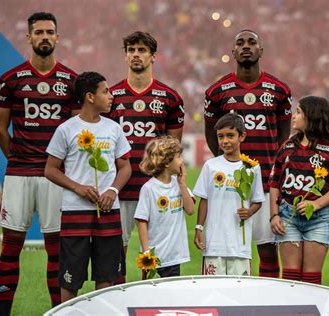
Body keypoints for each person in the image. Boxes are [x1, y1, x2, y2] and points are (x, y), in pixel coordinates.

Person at [0, 12, 79, 314]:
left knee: (57, 250)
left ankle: (58, 311)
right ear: (28, 37)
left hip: (55, 177)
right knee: (10, 247)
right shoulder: (11, 80)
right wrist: (15, 157)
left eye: (50, 32)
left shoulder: (72, 81)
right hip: (19, 174)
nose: (45, 37)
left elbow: (78, 131)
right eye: (39, 32)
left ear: (57, 37)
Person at [204, 30, 292, 278]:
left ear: (260, 51)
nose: (246, 46)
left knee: (267, 250)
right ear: (233, 52)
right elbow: (212, 134)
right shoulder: (217, 91)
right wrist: (230, 167)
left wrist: (274, 174)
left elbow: (283, 137)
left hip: (265, 184)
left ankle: (263, 302)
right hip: (231, 185)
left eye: (252, 42)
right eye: (240, 43)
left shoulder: (279, 90)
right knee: (230, 250)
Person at [44, 72, 132, 302]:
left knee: (106, 278)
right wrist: (77, 188)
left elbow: (125, 167)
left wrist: (113, 191)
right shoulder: (66, 129)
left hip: (108, 212)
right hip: (75, 212)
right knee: (70, 280)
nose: (111, 96)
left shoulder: (114, 128)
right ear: (90, 97)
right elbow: (50, 169)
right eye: (106, 91)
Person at [108, 31, 185, 282]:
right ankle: (119, 302)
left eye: (142, 50)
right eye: (131, 50)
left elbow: (173, 147)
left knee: (153, 255)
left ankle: (149, 303)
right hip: (120, 188)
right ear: (126, 55)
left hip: (155, 190)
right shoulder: (111, 96)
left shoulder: (170, 97)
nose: (136, 55)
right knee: (115, 254)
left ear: (154, 56)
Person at [269, 96, 329, 284]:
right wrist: (274, 215)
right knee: (290, 278)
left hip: (318, 219)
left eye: (298, 112)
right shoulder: (287, 146)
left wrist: (316, 203)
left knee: (311, 280)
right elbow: (274, 183)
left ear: (311, 116)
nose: (293, 116)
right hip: (287, 217)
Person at [194, 113, 265, 275]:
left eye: (230, 136)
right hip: (214, 244)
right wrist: (198, 227)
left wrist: (249, 211)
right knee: (212, 292)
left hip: (239, 246)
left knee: (240, 294)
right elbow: (204, 200)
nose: (225, 141)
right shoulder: (210, 166)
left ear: (242, 136)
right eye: (220, 136)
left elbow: (258, 200)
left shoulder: (252, 167)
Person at [134, 136, 194, 278]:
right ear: (167, 162)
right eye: (179, 157)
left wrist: (182, 184)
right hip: (155, 258)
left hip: (174, 257)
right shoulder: (149, 188)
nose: (182, 161)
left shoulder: (178, 184)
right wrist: (146, 252)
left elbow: (190, 210)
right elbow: (141, 221)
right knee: (153, 296)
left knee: (171, 297)